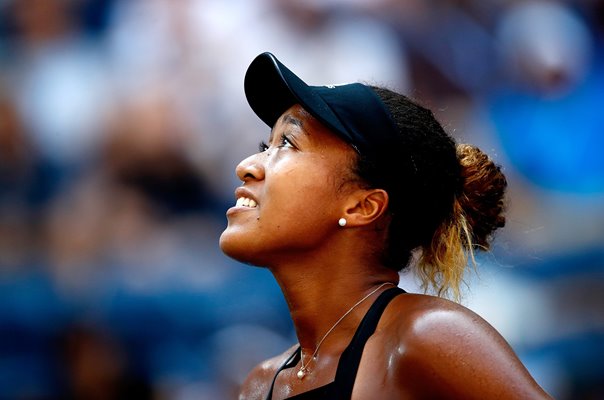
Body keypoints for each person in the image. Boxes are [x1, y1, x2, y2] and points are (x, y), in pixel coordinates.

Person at [219, 52, 552, 399]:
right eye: (265, 144)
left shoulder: (427, 336)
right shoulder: (257, 387)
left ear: (364, 205)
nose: (247, 165)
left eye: (287, 143)